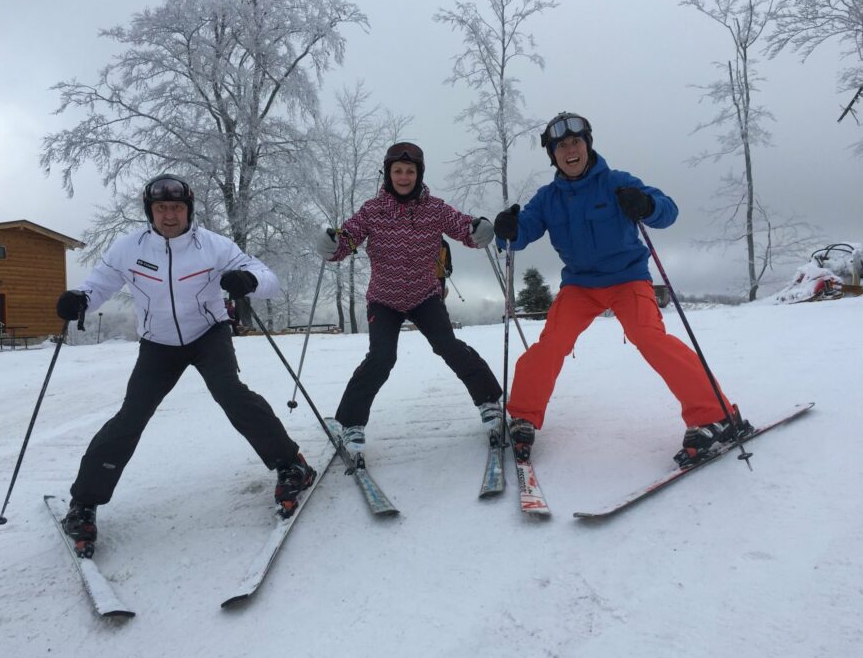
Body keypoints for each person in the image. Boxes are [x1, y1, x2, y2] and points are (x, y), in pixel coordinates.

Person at [56, 174, 315, 557]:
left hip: (208, 334)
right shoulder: (129, 248)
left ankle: (291, 465)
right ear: (150, 212)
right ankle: (84, 503)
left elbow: (268, 279)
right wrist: (79, 299)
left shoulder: (213, 246)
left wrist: (247, 279)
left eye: (176, 207)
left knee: (231, 393)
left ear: (188, 210)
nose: (169, 215)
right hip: (158, 344)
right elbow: (99, 285)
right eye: (161, 208)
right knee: (131, 416)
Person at [493, 112, 749, 467]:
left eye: (576, 142)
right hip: (580, 285)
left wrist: (647, 205)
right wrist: (507, 230)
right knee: (552, 342)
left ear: (587, 145)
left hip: (628, 278)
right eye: (561, 146)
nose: (570, 150)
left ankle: (716, 416)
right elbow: (520, 234)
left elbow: (668, 211)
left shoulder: (617, 182)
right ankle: (522, 416)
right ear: (553, 155)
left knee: (649, 336)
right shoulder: (548, 198)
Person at [315, 142, 503, 452]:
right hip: (384, 298)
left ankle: (489, 400)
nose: (404, 177)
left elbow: (462, 227)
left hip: (424, 295)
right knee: (381, 357)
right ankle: (349, 423)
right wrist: (332, 244)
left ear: (419, 174)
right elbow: (348, 237)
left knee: (448, 346)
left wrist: (477, 230)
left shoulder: (435, 209)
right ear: (388, 174)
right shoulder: (373, 210)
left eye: (410, 171)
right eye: (398, 171)